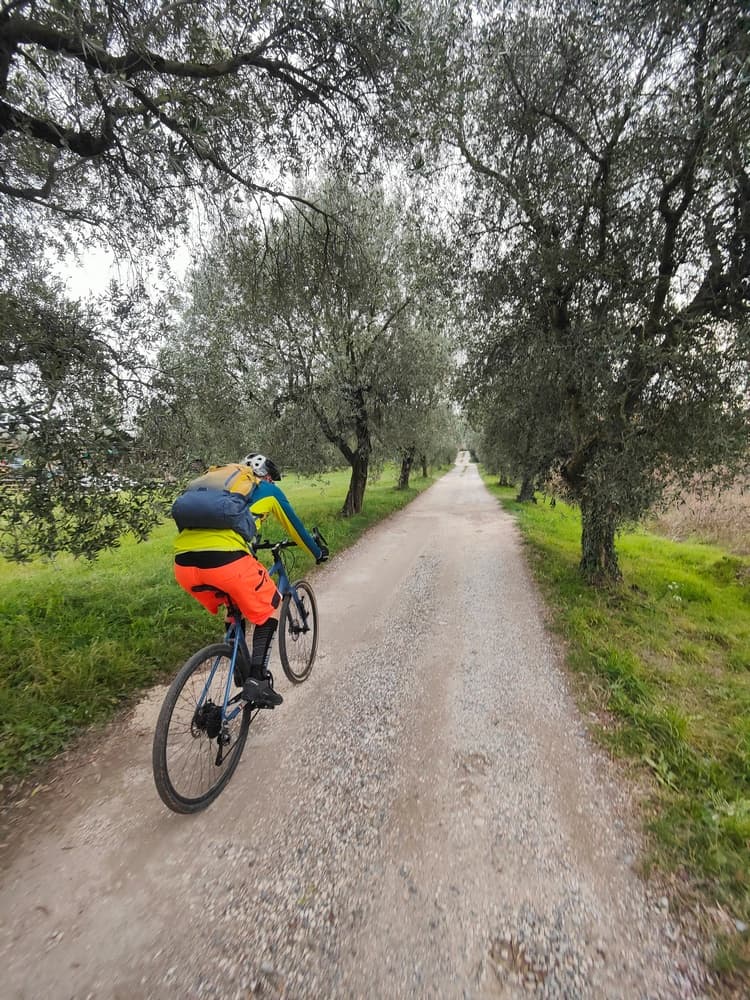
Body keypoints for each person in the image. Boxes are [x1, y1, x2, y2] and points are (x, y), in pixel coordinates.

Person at [173, 453, 328, 708]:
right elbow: (295, 527)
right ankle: (257, 682)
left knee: (234, 603)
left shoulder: (223, 491)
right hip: (226, 562)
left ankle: (237, 666)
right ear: (265, 475)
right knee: (272, 604)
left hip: (185, 565)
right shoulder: (266, 490)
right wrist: (317, 552)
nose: (272, 483)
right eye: (271, 479)